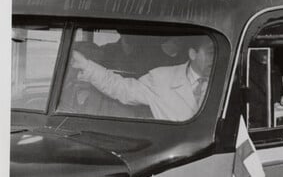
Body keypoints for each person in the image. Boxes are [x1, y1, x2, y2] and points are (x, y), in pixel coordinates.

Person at [71, 36, 215, 121]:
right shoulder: (161, 78)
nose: (216, 58)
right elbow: (121, 88)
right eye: (210, 53)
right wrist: (86, 65)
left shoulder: (227, 81)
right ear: (192, 54)